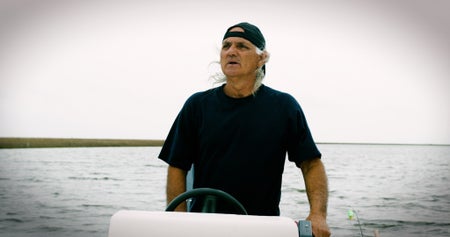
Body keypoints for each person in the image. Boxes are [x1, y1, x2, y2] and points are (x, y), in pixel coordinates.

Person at [158, 22, 331, 237]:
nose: (231, 51)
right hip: (203, 226)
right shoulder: (197, 106)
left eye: (242, 46)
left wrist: (317, 215)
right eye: (226, 45)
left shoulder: (284, 106)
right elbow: (177, 166)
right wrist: (179, 221)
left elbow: (311, 164)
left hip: (262, 228)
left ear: (262, 58)